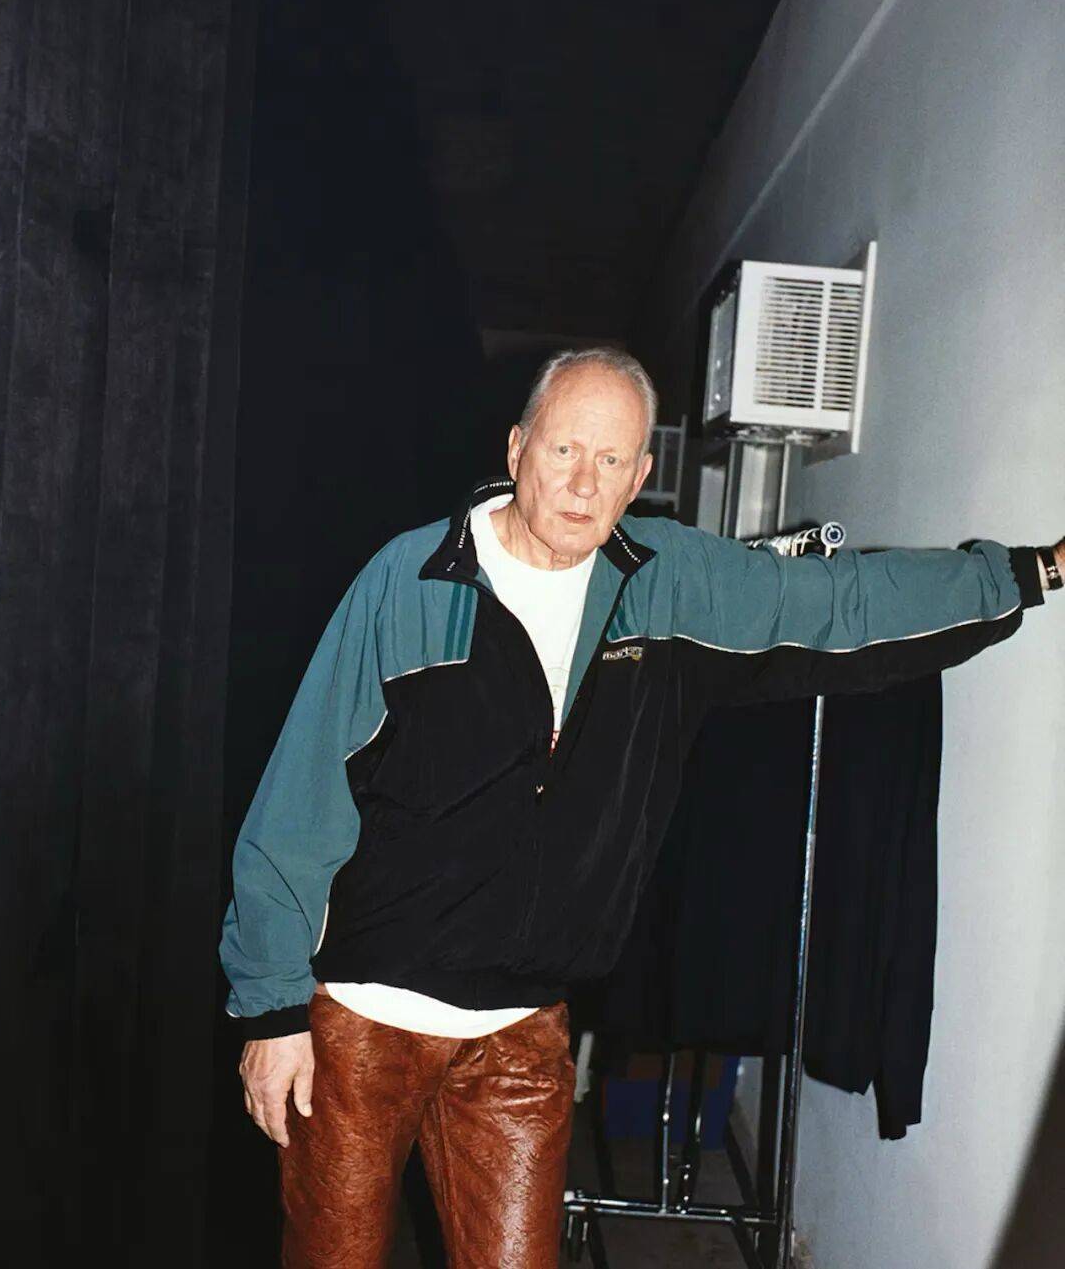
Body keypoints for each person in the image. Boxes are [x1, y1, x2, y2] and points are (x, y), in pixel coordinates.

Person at [220, 347, 1063, 1268]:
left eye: (611, 460)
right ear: (517, 448)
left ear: (640, 476)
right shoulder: (409, 579)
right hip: (362, 1021)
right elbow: (300, 797)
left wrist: (1033, 572)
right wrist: (271, 1011)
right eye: (563, 450)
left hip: (519, 1031)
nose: (583, 483)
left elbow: (841, 602)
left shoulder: (668, 582)